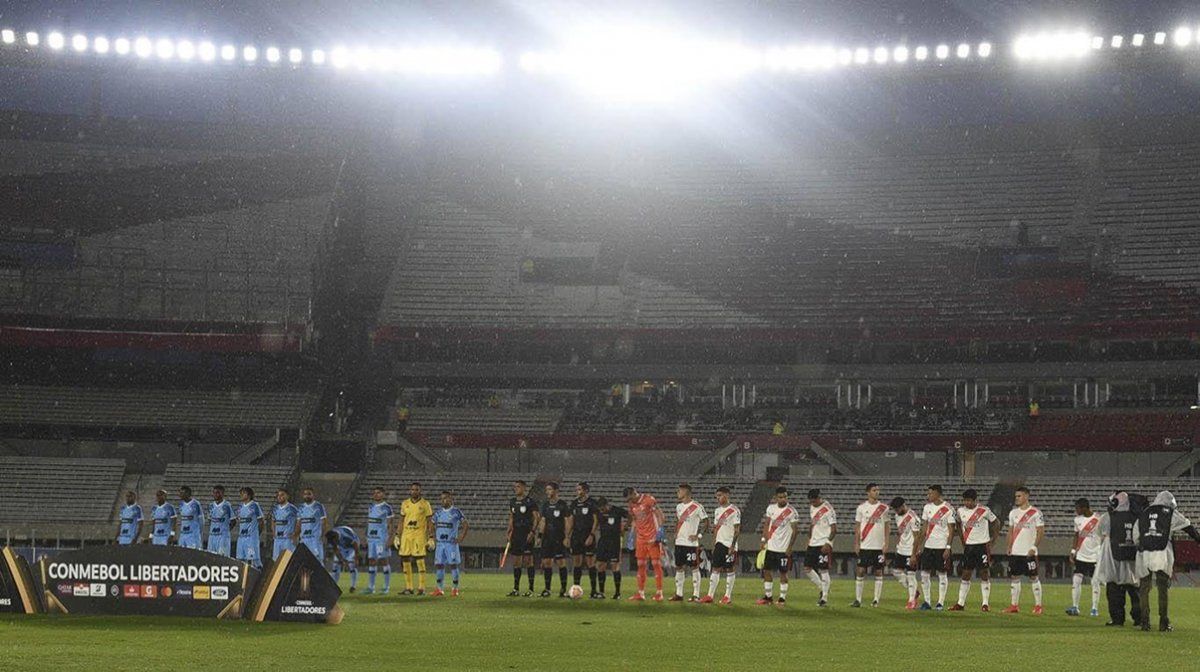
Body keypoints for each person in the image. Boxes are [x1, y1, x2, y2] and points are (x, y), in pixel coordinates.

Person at [1134, 491, 1200, 631]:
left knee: (1144, 589)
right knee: (1162, 588)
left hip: (1144, 552)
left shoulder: (1144, 512)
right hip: (1163, 552)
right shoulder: (1169, 512)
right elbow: (1187, 526)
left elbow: (1136, 535)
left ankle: (1145, 623)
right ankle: (1163, 623)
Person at [950, 488, 998, 612]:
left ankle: (985, 603)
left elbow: (996, 523)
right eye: (965, 500)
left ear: (975, 500)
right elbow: (958, 524)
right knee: (966, 574)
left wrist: (993, 540)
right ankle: (960, 603)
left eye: (969, 501)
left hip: (982, 546)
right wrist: (962, 539)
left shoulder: (984, 510)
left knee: (984, 573)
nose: (967, 503)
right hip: (969, 546)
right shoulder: (960, 511)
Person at [1003, 486, 1044, 614]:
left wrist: (1034, 547)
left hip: (1028, 552)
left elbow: (1040, 531)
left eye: (1019, 496)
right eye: (1016, 496)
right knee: (1014, 577)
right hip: (1016, 551)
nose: (1017, 498)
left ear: (1026, 496)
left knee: (1033, 577)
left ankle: (1038, 606)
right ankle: (1014, 605)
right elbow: (1010, 531)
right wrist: (1009, 546)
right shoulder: (1013, 513)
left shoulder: (1036, 513)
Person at [757, 486, 800, 606]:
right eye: (781, 497)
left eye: (785, 497)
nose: (783, 499)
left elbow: (795, 531)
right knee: (766, 571)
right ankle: (768, 597)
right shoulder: (771, 508)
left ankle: (782, 598)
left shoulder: (791, 511)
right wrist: (764, 539)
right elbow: (767, 525)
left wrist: (790, 547)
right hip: (771, 546)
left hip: (783, 548)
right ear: (776, 498)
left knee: (783, 573)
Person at [918, 484, 957, 611]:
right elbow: (924, 527)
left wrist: (948, 547)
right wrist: (919, 545)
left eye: (930, 493)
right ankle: (927, 601)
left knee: (942, 573)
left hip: (941, 546)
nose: (928, 495)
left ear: (937, 494)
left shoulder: (948, 509)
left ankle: (940, 602)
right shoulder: (927, 508)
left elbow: (952, 530)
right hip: (929, 546)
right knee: (924, 573)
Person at [625, 485, 666, 601]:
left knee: (656, 564)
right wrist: (631, 534)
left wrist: (660, 530)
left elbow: (660, 515)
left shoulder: (649, 500)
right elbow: (634, 519)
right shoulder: (631, 505)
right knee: (641, 565)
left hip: (653, 538)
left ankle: (659, 593)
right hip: (641, 539)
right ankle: (641, 593)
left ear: (634, 493)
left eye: (630, 498)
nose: (629, 502)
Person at [852, 483, 889, 608]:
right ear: (868, 492)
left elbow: (887, 527)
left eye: (878, 490)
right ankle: (858, 599)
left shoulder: (884, 508)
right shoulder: (861, 508)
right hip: (865, 545)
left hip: (878, 546)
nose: (877, 492)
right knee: (861, 570)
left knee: (878, 571)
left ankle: (876, 600)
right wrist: (856, 543)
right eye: (874, 490)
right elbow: (857, 527)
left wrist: (886, 543)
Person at [670, 483, 708, 602]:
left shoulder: (697, 506)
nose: (678, 493)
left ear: (686, 492)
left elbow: (706, 522)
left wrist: (699, 535)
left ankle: (696, 594)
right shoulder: (679, 507)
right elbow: (679, 522)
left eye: (680, 491)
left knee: (694, 567)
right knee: (679, 567)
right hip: (679, 542)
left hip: (691, 544)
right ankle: (679, 594)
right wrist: (676, 532)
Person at [704, 486, 740, 604]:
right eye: (717, 496)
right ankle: (710, 595)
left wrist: (732, 546)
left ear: (727, 495)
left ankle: (727, 596)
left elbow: (737, 529)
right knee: (715, 568)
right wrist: (714, 544)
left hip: (729, 544)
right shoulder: (717, 511)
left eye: (720, 495)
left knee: (730, 569)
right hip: (719, 543)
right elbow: (716, 528)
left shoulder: (734, 510)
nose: (718, 498)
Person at [1068, 497, 1103, 617]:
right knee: (1076, 580)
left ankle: (1094, 608)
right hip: (1081, 555)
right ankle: (1075, 607)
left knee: (1095, 582)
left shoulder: (1099, 519)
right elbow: (1076, 536)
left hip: (1095, 555)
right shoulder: (1077, 520)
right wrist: (1073, 551)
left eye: (1077, 508)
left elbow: (1104, 536)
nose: (1076, 511)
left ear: (1084, 508)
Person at [398, 482, 434, 595]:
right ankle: (409, 588)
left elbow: (430, 522)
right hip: (406, 535)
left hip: (419, 535)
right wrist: (397, 535)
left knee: (419, 560)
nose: (414, 491)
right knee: (405, 559)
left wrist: (431, 537)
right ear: (410, 490)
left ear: (420, 491)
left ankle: (422, 588)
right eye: (412, 489)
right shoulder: (404, 504)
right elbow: (401, 520)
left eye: (417, 490)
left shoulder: (425, 504)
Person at [803, 488, 837, 607]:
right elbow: (813, 524)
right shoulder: (812, 508)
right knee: (807, 568)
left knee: (823, 570)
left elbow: (834, 529)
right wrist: (809, 539)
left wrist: (828, 543)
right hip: (813, 543)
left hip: (823, 543)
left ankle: (824, 598)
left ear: (819, 498)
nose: (813, 503)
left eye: (814, 501)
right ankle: (823, 588)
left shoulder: (828, 509)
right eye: (811, 501)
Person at [506, 480, 540, 596]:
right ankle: (516, 589)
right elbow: (511, 517)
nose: (516, 488)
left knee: (528, 561)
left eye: (518, 486)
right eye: (514, 487)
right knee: (516, 562)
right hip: (516, 534)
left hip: (527, 534)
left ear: (524, 488)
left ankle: (530, 589)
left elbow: (536, 517)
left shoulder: (530, 502)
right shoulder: (512, 502)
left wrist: (533, 531)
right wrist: (509, 530)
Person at [538, 482, 572, 597]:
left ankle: (563, 589)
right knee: (547, 563)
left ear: (556, 491)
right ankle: (547, 589)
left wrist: (567, 537)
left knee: (561, 562)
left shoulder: (562, 505)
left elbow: (567, 521)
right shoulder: (545, 505)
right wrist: (540, 535)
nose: (547, 492)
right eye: (546, 489)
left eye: (550, 489)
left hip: (559, 537)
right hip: (547, 538)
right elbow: (543, 520)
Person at [431, 491, 468, 597]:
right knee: (439, 565)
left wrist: (460, 537)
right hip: (440, 544)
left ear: (451, 499)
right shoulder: (438, 513)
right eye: (441, 499)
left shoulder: (456, 512)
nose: (443, 501)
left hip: (451, 544)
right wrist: (432, 536)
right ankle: (439, 589)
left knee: (453, 565)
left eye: (445, 498)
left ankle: (455, 589)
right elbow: (431, 523)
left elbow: (465, 524)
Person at [889, 497, 923, 609]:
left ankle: (911, 600)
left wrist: (914, 554)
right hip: (901, 549)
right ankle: (914, 592)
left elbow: (917, 537)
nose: (896, 511)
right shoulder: (897, 516)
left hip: (910, 550)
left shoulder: (913, 518)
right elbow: (901, 533)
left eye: (897, 509)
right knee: (896, 571)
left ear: (903, 506)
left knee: (911, 574)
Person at [569, 482, 600, 598]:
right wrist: (568, 536)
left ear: (586, 490)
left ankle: (593, 591)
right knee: (577, 563)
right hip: (576, 536)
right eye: (576, 489)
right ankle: (576, 589)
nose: (577, 492)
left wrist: (591, 535)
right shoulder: (574, 503)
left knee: (591, 562)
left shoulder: (592, 503)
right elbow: (571, 520)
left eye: (579, 489)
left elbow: (596, 520)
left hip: (588, 535)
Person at [594, 496, 626, 599]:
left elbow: (630, 515)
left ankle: (617, 593)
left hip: (614, 542)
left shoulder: (617, 510)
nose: (601, 510)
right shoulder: (599, 512)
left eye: (603, 508)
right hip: (603, 540)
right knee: (600, 565)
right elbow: (596, 522)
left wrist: (626, 527)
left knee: (614, 566)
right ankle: (601, 592)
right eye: (600, 509)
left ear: (607, 505)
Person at [364, 487, 394, 595]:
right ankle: (371, 587)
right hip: (371, 539)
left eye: (378, 493)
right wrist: (366, 536)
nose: (376, 494)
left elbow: (390, 524)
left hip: (381, 539)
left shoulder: (387, 508)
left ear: (383, 494)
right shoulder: (371, 506)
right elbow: (369, 522)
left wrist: (390, 538)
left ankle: (386, 587)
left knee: (383, 561)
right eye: (374, 493)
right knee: (372, 561)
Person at [235, 487, 265, 569]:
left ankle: (258, 574)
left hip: (251, 539)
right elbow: (239, 520)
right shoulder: (240, 507)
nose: (241, 495)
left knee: (252, 560)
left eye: (243, 493)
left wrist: (256, 534)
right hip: (241, 538)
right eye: (240, 493)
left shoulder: (254, 505)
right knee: (240, 560)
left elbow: (261, 521)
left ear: (249, 495)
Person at [325, 525, 361, 592]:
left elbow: (355, 546)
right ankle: (334, 585)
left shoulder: (346, 536)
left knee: (351, 565)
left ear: (336, 537)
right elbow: (335, 549)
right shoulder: (332, 537)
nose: (333, 543)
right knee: (335, 566)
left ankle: (353, 586)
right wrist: (342, 560)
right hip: (342, 547)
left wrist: (356, 559)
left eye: (334, 541)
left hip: (352, 547)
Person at [298, 487, 328, 562]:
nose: (307, 496)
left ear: (313, 495)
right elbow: (299, 523)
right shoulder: (300, 507)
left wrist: (323, 535)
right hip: (304, 539)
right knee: (304, 561)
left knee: (318, 560)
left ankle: (321, 573)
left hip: (315, 539)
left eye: (309, 494)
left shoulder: (319, 506)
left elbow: (324, 522)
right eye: (305, 494)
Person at [272, 488, 300, 561]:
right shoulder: (275, 509)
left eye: (282, 495)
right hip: (277, 540)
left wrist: (295, 534)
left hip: (287, 540)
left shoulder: (292, 508)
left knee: (288, 561)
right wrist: (274, 532)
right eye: (278, 495)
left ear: (287, 496)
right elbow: (273, 521)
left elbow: (299, 521)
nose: (279, 497)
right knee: (276, 561)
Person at [207, 485, 234, 556]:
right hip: (212, 537)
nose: (215, 494)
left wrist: (226, 530)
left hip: (222, 537)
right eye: (214, 492)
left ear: (222, 493)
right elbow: (210, 520)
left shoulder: (227, 505)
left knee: (222, 558)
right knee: (210, 557)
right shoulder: (210, 506)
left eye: (218, 492)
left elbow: (233, 521)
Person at [176, 486, 204, 550]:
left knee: (192, 554)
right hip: (183, 534)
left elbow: (201, 520)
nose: (180, 495)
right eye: (180, 493)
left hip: (192, 534)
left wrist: (199, 533)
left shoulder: (196, 504)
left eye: (182, 493)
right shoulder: (181, 504)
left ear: (187, 493)